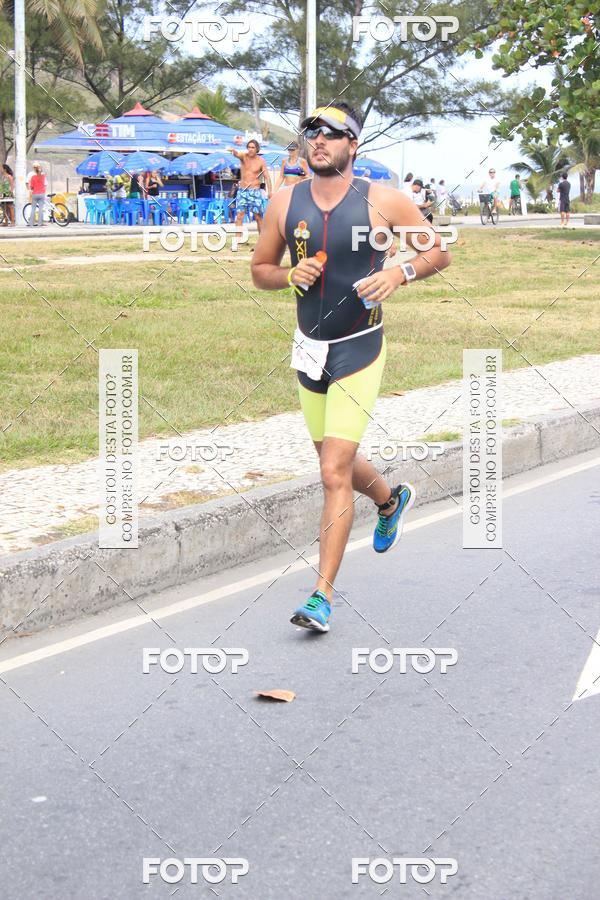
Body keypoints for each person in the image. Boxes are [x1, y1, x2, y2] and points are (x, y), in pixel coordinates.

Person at [251, 101, 451, 632]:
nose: (318, 140)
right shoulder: (282, 202)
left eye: (332, 133)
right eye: (311, 132)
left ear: (352, 146)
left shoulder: (383, 201)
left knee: (332, 471)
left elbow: (438, 253)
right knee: (334, 462)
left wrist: (400, 274)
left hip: (360, 347)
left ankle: (321, 596)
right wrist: (287, 277)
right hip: (308, 348)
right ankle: (391, 500)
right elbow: (260, 270)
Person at [226, 139, 272, 234]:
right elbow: (236, 154)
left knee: (258, 217)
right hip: (243, 191)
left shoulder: (261, 161)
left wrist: (270, 192)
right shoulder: (244, 157)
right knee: (239, 216)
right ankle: (237, 241)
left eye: (253, 147)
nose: (250, 149)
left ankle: (261, 241)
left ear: (257, 149)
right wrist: (232, 150)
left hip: (255, 192)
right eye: (249, 147)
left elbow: (267, 176)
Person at [27, 161, 47, 227]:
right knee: (41, 209)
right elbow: (45, 185)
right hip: (42, 193)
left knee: (33, 208)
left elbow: (31, 186)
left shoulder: (32, 177)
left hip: (35, 193)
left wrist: (31, 190)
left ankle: (31, 223)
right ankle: (40, 223)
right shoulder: (43, 176)